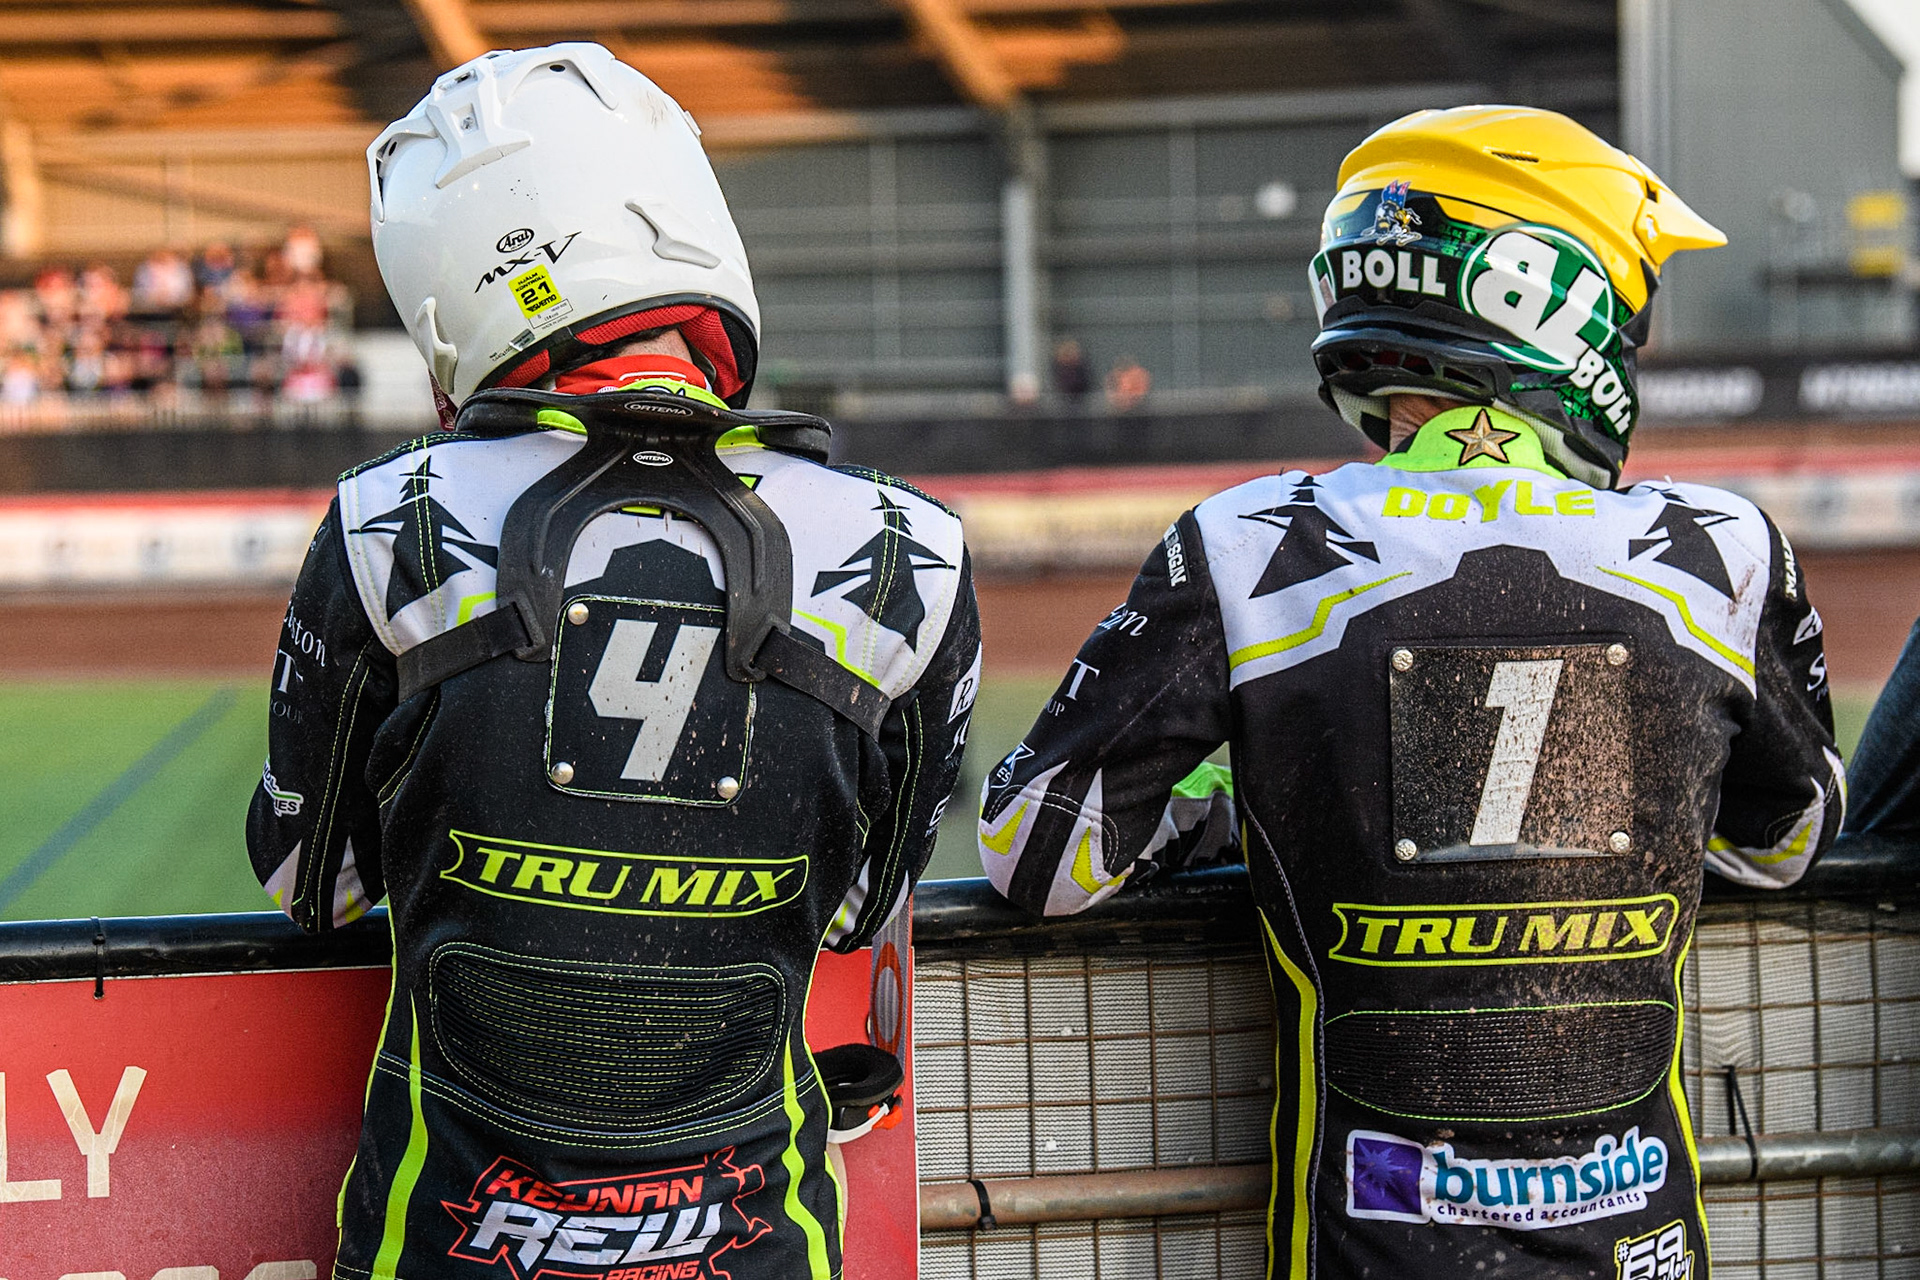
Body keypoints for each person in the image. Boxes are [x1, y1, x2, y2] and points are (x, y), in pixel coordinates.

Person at [978, 106, 1841, 1279]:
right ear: (1549, 302)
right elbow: (1786, 838)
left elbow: (1037, 851)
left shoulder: (1254, 541)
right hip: (1641, 1249)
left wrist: (1234, 817)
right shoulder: (1718, 549)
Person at [248, 43, 979, 1279]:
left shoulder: (387, 519)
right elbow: (863, 906)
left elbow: (305, 882)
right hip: (759, 1240)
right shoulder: (915, 546)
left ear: (455, 285)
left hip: (448, 1239)